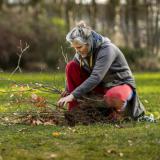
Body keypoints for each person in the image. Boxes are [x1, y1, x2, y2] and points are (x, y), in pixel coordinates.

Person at [57, 21, 145, 120]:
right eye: (75, 48)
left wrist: (72, 95)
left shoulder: (107, 49)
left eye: (79, 47)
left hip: (121, 85)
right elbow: (72, 70)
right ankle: (75, 112)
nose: (77, 51)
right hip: (102, 86)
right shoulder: (81, 53)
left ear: (88, 43)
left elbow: (96, 77)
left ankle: (119, 113)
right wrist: (67, 90)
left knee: (114, 95)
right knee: (71, 65)